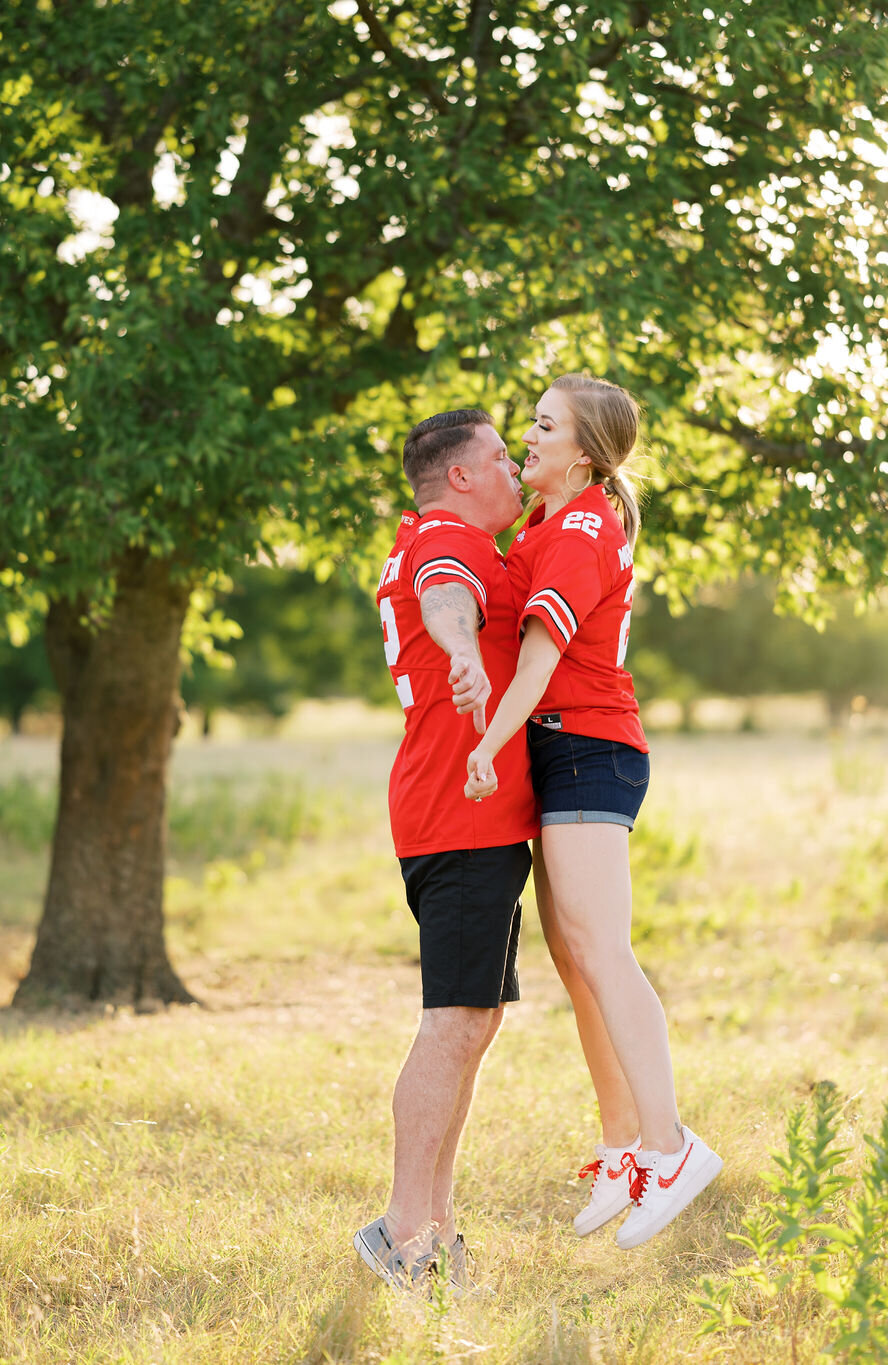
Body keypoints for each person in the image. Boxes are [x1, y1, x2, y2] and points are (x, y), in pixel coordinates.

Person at [465, 374, 722, 1250]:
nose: (525, 436)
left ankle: (671, 1144)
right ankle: (623, 1149)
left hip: (585, 746)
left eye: (543, 425)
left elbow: (537, 665)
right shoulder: (545, 521)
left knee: (601, 950)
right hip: (558, 747)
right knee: (576, 959)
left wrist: (486, 745)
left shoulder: (579, 528)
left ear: (584, 451)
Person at [354, 409, 539, 1291]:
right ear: (459, 476)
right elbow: (443, 600)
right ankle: (400, 1227)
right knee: (453, 1021)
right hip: (457, 814)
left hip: (474, 816)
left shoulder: (457, 539)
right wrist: (463, 650)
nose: (514, 466)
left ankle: (437, 1231)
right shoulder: (445, 540)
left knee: (476, 1020)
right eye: (501, 456)